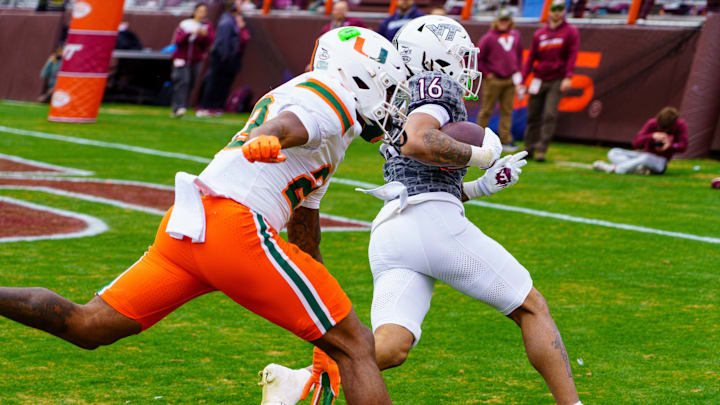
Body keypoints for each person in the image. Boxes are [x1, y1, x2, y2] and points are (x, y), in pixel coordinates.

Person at [0, 26, 411, 405]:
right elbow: (290, 123)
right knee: (357, 345)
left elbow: (305, 228)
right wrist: (267, 136)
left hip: (188, 227)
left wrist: (323, 304)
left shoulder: (329, 120)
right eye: (389, 91)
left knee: (89, 325)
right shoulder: (328, 94)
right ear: (357, 75)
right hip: (235, 229)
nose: (392, 104)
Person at [260, 16, 583, 405]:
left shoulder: (395, 97)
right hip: (431, 223)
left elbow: (422, 177)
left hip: (394, 229)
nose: (465, 65)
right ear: (437, 56)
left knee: (390, 347)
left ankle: (303, 382)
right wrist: (479, 154)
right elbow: (418, 140)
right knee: (531, 307)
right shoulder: (435, 85)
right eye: (460, 55)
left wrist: (482, 186)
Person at [521, 0, 579, 162]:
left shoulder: (570, 31)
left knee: (549, 115)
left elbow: (572, 55)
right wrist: (523, 79)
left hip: (557, 79)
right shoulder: (540, 33)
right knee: (532, 115)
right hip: (539, 78)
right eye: (554, 9)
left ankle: (541, 150)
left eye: (560, 9)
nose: (557, 12)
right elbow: (531, 57)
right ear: (549, 11)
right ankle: (528, 147)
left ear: (564, 11)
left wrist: (568, 76)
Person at [476, 9, 524, 152]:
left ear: (510, 21)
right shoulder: (488, 38)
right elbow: (478, 58)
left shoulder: (515, 36)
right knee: (486, 109)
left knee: (507, 111)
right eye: (501, 20)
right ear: (496, 21)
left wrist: (517, 72)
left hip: (510, 79)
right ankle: (478, 138)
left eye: (506, 20)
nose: (503, 23)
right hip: (494, 79)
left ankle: (505, 139)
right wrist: (487, 74)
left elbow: (519, 56)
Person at [593, 107, 688, 175]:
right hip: (642, 155)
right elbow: (636, 142)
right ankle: (637, 169)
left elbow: (683, 146)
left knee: (647, 157)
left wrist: (670, 146)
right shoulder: (652, 123)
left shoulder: (680, 125)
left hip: (660, 162)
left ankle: (617, 168)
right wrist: (652, 136)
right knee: (613, 152)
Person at [197, 0, 250, 117]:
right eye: (240, 3)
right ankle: (206, 106)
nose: (242, 5)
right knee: (214, 82)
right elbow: (224, 41)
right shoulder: (227, 21)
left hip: (226, 57)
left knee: (221, 84)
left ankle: (215, 106)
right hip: (222, 57)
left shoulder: (233, 20)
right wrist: (225, 56)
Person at [170, 3, 215, 118]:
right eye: (200, 11)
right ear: (195, 12)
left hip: (196, 59)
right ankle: (179, 107)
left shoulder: (207, 26)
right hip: (182, 58)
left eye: (204, 11)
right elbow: (178, 41)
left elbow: (209, 42)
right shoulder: (186, 24)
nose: (202, 14)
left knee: (191, 82)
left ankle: (181, 106)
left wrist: (204, 35)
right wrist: (190, 33)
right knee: (183, 81)